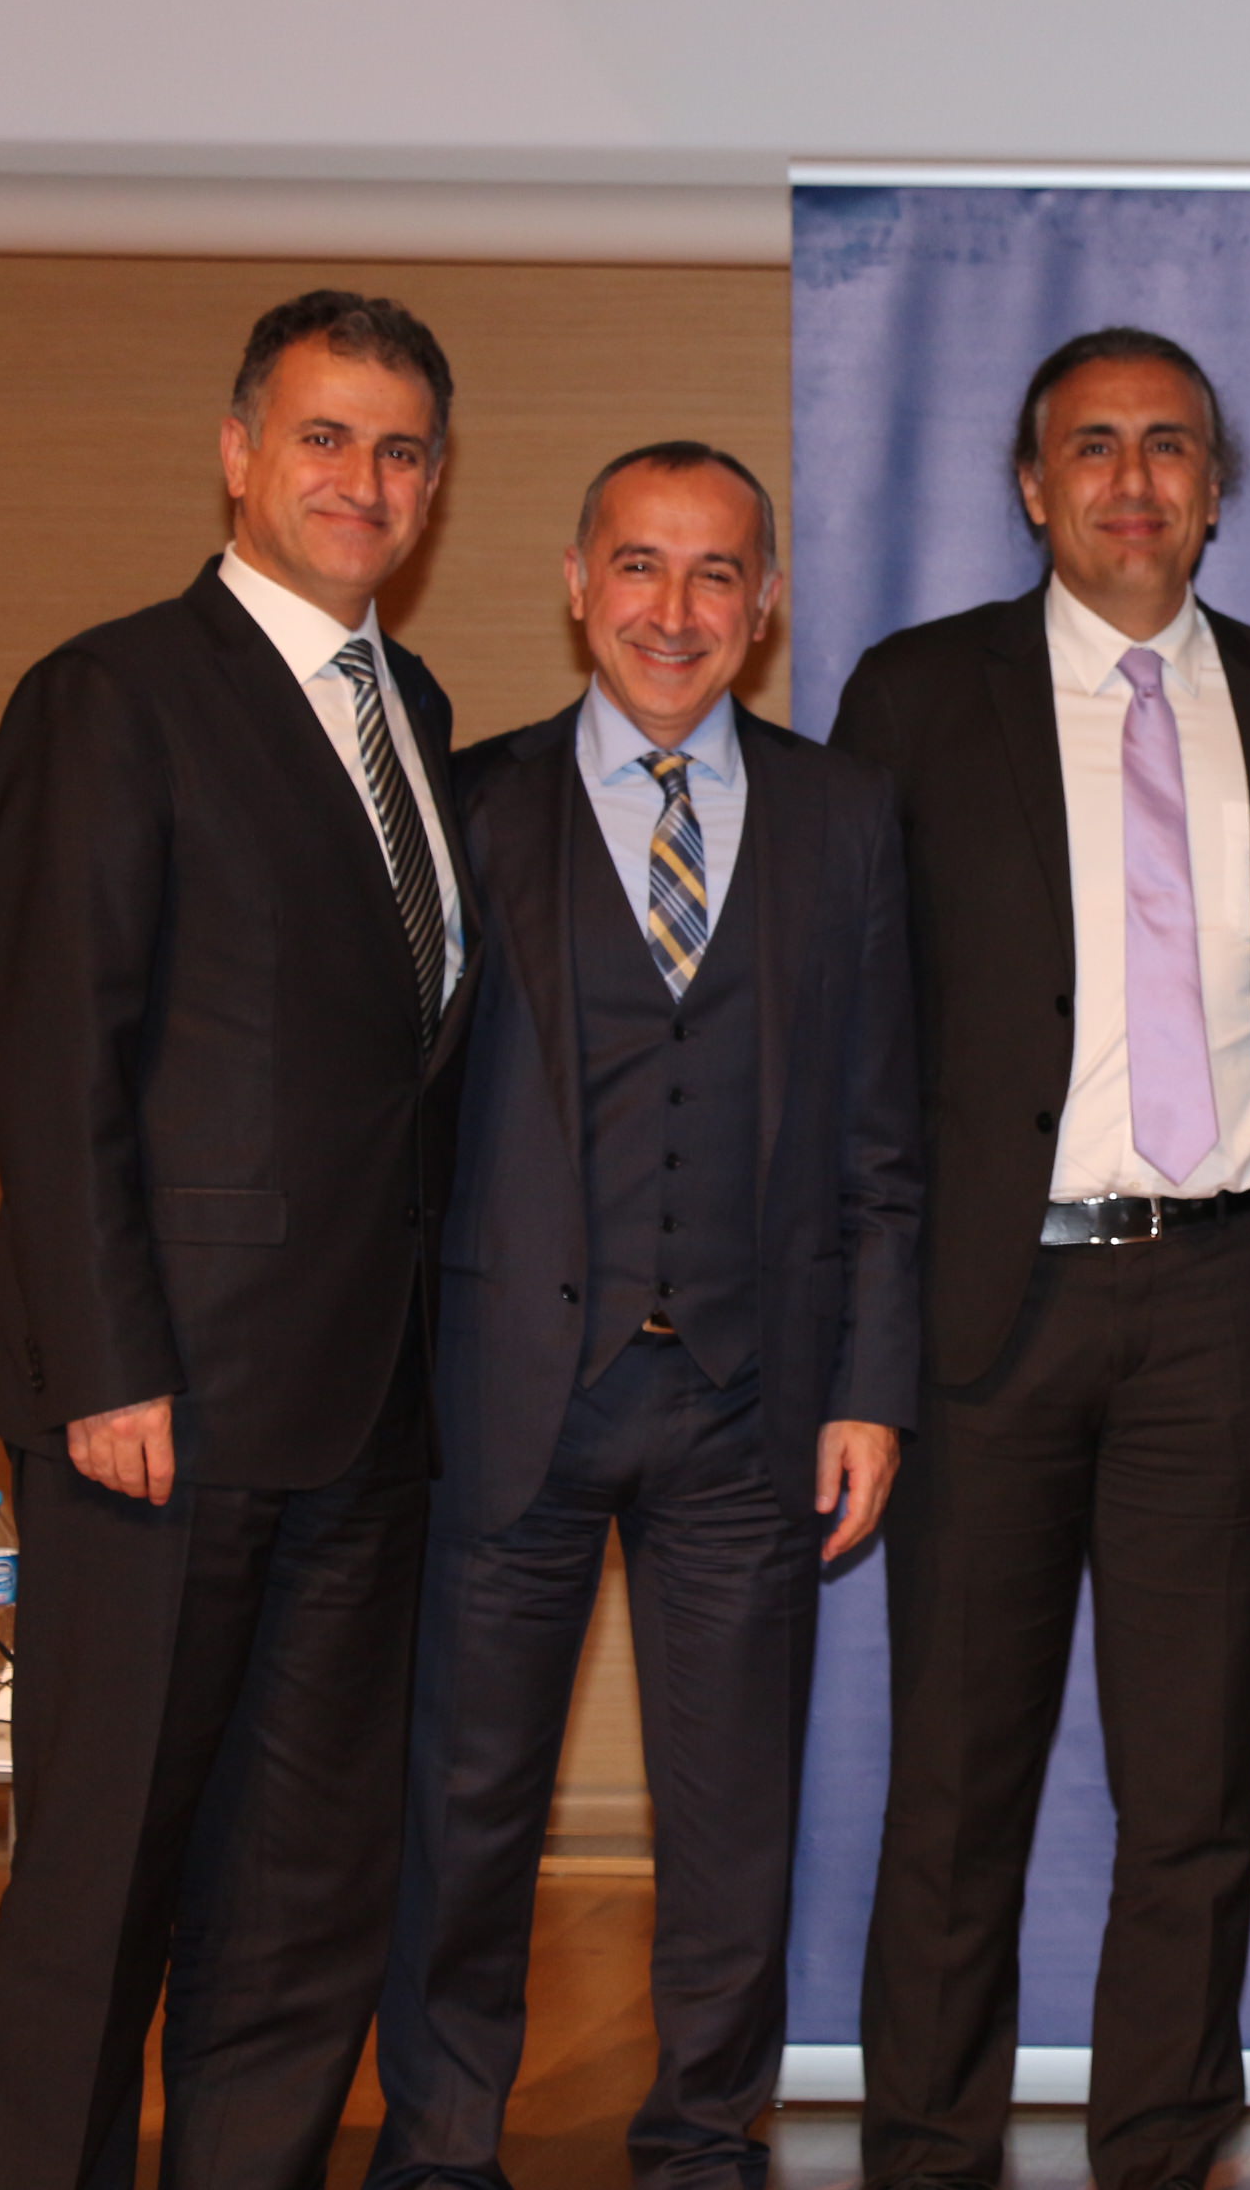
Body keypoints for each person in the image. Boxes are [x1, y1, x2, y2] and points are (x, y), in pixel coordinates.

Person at [830, 327, 1250, 2190]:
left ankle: (1161, 2152)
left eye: (1170, 446)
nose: (1134, 481)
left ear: (1217, 489)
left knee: (1192, 1798)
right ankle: (926, 2153)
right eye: (1093, 446)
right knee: (954, 1789)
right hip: (995, 1312)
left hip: (1223, 1305)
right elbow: (861, 1033)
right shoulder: (918, 694)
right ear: (1031, 484)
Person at [0, 290, 473, 2190]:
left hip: (367, 1417)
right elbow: (54, 1053)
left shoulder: (415, 713)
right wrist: (106, 1367)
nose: (363, 480)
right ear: (240, 452)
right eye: (324, 437)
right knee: (101, 1890)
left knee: (302, 1901)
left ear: (435, 487)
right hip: (157, 1416)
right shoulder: (113, 694)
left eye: (400, 450)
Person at [366, 442, 924, 2187]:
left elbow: (884, 1134)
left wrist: (872, 1388)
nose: (672, 610)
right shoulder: (472, 804)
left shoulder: (845, 818)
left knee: (733, 1818)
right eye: (638, 565)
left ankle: (700, 2142)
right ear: (574, 581)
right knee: (465, 1806)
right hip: (508, 1395)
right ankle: (439, 2146)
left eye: (714, 574)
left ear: (766, 608)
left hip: (755, 1408)